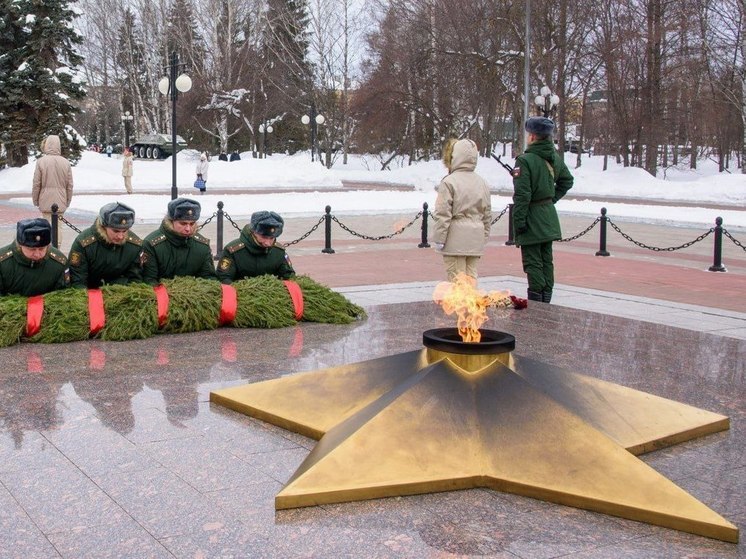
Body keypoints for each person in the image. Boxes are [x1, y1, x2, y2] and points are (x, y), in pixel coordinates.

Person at [512, 116, 574, 303]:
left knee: (532, 262)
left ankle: (537, 303)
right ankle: (546, 299)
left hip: (532, 217)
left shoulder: (525, 161)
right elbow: (567, 181)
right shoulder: (554, 157)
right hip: (548, 216)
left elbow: (522, 196)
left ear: (532, 136)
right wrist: (550, 199)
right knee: (546, 260)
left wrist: (519, 222)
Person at [432, 138, 492, 282]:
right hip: (475, 239)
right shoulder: (482, 182)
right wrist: (483, 236)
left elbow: (443, 213)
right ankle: (472, 305)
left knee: (457, 282)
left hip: (455, 240)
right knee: (471, 280)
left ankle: (462, 306)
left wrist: (439, 239)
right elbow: (487, 214)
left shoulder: (449, 182)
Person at [68, 202, 143, 288]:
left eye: (125, 231)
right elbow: (78, 282)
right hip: (91, 294)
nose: (121, 236)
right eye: (116, 231)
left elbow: (136, 279)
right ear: (103, 227)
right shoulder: (83, 244)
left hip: (121, 294)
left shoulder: (134, 245)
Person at [141, 197, 216, 284]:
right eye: (183, 223)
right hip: (160, 295)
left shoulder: (202, 246)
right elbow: (148, 281)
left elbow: (209, 279)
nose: (188, 229)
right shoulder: (152, 244)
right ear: (171, 221)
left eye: (192, 224)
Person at [217, 211, 295, 283]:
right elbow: (223, 278)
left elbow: (289, 276)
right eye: (264, 237)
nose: (268, 243)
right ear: (253, 232)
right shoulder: (233, 251)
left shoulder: (278, 252)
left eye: (272, 238)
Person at [0, 218, 69, 296]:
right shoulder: (3, 263)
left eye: (42, 249)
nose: (37, 254)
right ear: (20, 245)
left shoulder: (59, 263)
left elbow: (63, 296)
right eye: (32, 249)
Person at [32, 134, 74, 247]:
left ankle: (46, 248)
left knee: (46, 225)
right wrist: (68, 201)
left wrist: (35, 200)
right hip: (60, 199)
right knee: (59, 226)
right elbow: (69, 185)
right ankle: (57, 248)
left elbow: (36, 183)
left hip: (45, 198)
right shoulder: (66, 162)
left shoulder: (41, 162)